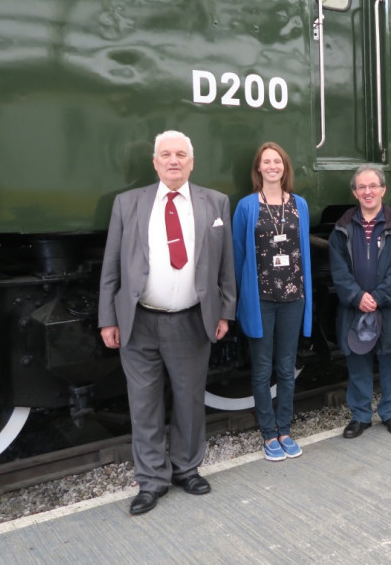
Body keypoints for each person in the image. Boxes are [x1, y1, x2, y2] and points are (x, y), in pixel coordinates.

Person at [98, 130, 236, 516]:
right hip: (139, 320)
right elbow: (111, 266)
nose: (173, 160)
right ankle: (151, 480)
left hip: (191, 320)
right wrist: (108, 318)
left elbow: (226, 263)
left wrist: (225, 311)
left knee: (190, 399)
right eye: (165, 155)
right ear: (155, 163)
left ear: (191, 163)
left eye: (180, 155)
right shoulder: (128, 203)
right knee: (143, 403)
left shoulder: (216, 202)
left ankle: (186, 469)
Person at [233, 142, 312, 462]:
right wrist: (241, 297)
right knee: (262, 369)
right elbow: (238, 254)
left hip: (293, 297)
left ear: (284, 167)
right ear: (258, 168)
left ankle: (285, 431)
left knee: (286, 367)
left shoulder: (299, 204)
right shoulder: (246, 206)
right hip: (261, 299)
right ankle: (268, 433)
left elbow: (303, 251)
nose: (272, 166)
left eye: (277, 161)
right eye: (266, 162)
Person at [330, 166, 391, 438]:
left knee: (390, 358)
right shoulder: (341, 228)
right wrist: (357, 297)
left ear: (383, 190)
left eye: (373, 186)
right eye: (362, 187)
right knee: (357, 360)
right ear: (355, 192)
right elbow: (339, 271)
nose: (368, 192)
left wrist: (377, 297)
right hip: (356, 306)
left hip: (388, 306)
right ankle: (360, 416)